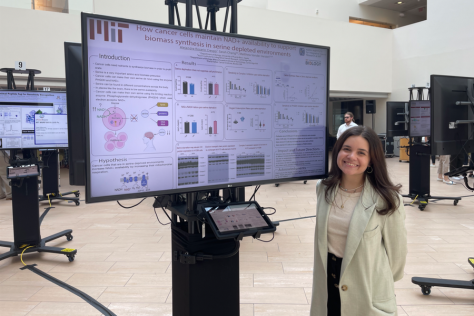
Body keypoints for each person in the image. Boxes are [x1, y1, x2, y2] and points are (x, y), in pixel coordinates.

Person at [311, 126, 407, 316]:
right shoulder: (323, 188)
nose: (351, 156)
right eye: (346, 149)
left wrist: (379, 282)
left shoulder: (387, 199)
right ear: (338, 151)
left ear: (371, 160)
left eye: (361, 153)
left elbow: (397, 257)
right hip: (328, 284)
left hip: (366, 288)